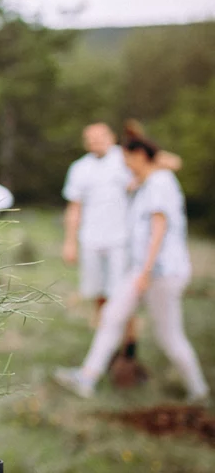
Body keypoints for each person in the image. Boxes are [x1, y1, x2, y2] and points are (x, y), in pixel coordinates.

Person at [53, 135, 209, 404]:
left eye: (127, 159)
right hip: (141, 271)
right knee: (112, 316)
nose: (125, 166)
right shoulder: (147, 182)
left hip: (161, 273)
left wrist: (146, 273)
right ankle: (86, 378)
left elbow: (159, 229)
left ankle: (199, 390)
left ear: (139, 156)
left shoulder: (161, 182)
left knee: (169, 335)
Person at [60, 122, 180, 381]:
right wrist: (70, 241)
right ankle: (109, 349)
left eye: (101, 137)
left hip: (121, 241)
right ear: (85, 142)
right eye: (90, 138)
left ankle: (129, 349)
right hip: (91, 239)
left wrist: (144, 143)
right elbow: (74, 207)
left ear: (110, 137)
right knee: (99, 295)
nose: (96, 142)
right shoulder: (79, 168)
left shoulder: (126, 158)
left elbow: (170, 163)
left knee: (122, 296)